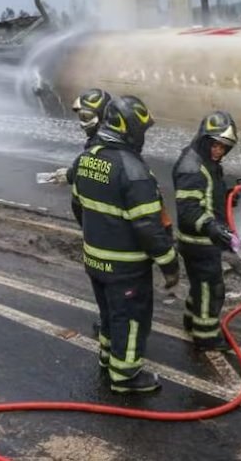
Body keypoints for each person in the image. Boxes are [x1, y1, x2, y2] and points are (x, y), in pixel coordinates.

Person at [69, 95, 178, 394]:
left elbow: (78, 206)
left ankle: (108, 358)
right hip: (126, 266)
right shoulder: (133, 170)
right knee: (131, 319)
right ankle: (126, 377)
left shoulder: (87, 158)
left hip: (95, 260)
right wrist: (169, 262)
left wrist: (97, 234)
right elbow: (148, 227)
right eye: (142, 130)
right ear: (129, 128)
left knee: (109, 314)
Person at [172, 111, 240, 351]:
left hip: (202, 241)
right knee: (212, 289)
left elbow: (209, 195)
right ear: (204, 139)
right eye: (216, 145)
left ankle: (191, 321)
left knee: (200, 285)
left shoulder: (207, 163)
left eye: (224, 147)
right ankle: (206, 336)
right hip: (198, 242)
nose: (219, 151)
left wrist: (230, 195)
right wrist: (212, 227)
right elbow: (189, 211)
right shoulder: (192, 168)